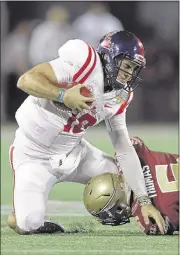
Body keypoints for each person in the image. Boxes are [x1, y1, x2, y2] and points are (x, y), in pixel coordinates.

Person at [7, 30, 165, 235]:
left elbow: (123, 147)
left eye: (134, 69)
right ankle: (19, 213)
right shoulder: (85, 64)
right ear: (109, 57)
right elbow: (26, 80)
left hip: (75, 152)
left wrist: (144, 200)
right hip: (34, 154)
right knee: (28, 223)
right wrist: (62, 94)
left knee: (128, 186)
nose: (129, 74)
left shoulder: (119, 96)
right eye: (126, 66)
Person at [83, 137, 179, 235]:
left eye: (108, 212)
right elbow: (128, 143)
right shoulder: (134, 157)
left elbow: (161, 227)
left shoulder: (147, 219)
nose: (109, 216)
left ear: (117, 195)